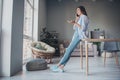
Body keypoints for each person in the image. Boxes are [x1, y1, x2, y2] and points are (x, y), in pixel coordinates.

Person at [50, 6, 89, 72]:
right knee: (69, 51)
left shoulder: (84, 17)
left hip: (79, 36)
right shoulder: (80, 18)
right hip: (76, 34)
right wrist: (76, 20)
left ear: (82, 10)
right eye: (76, 10)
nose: (77, 11)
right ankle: (61, 67)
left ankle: (58, 65)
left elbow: (83, 28)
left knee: (68, 50)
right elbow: (74, 28)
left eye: (78, 10)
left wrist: (75, 23)